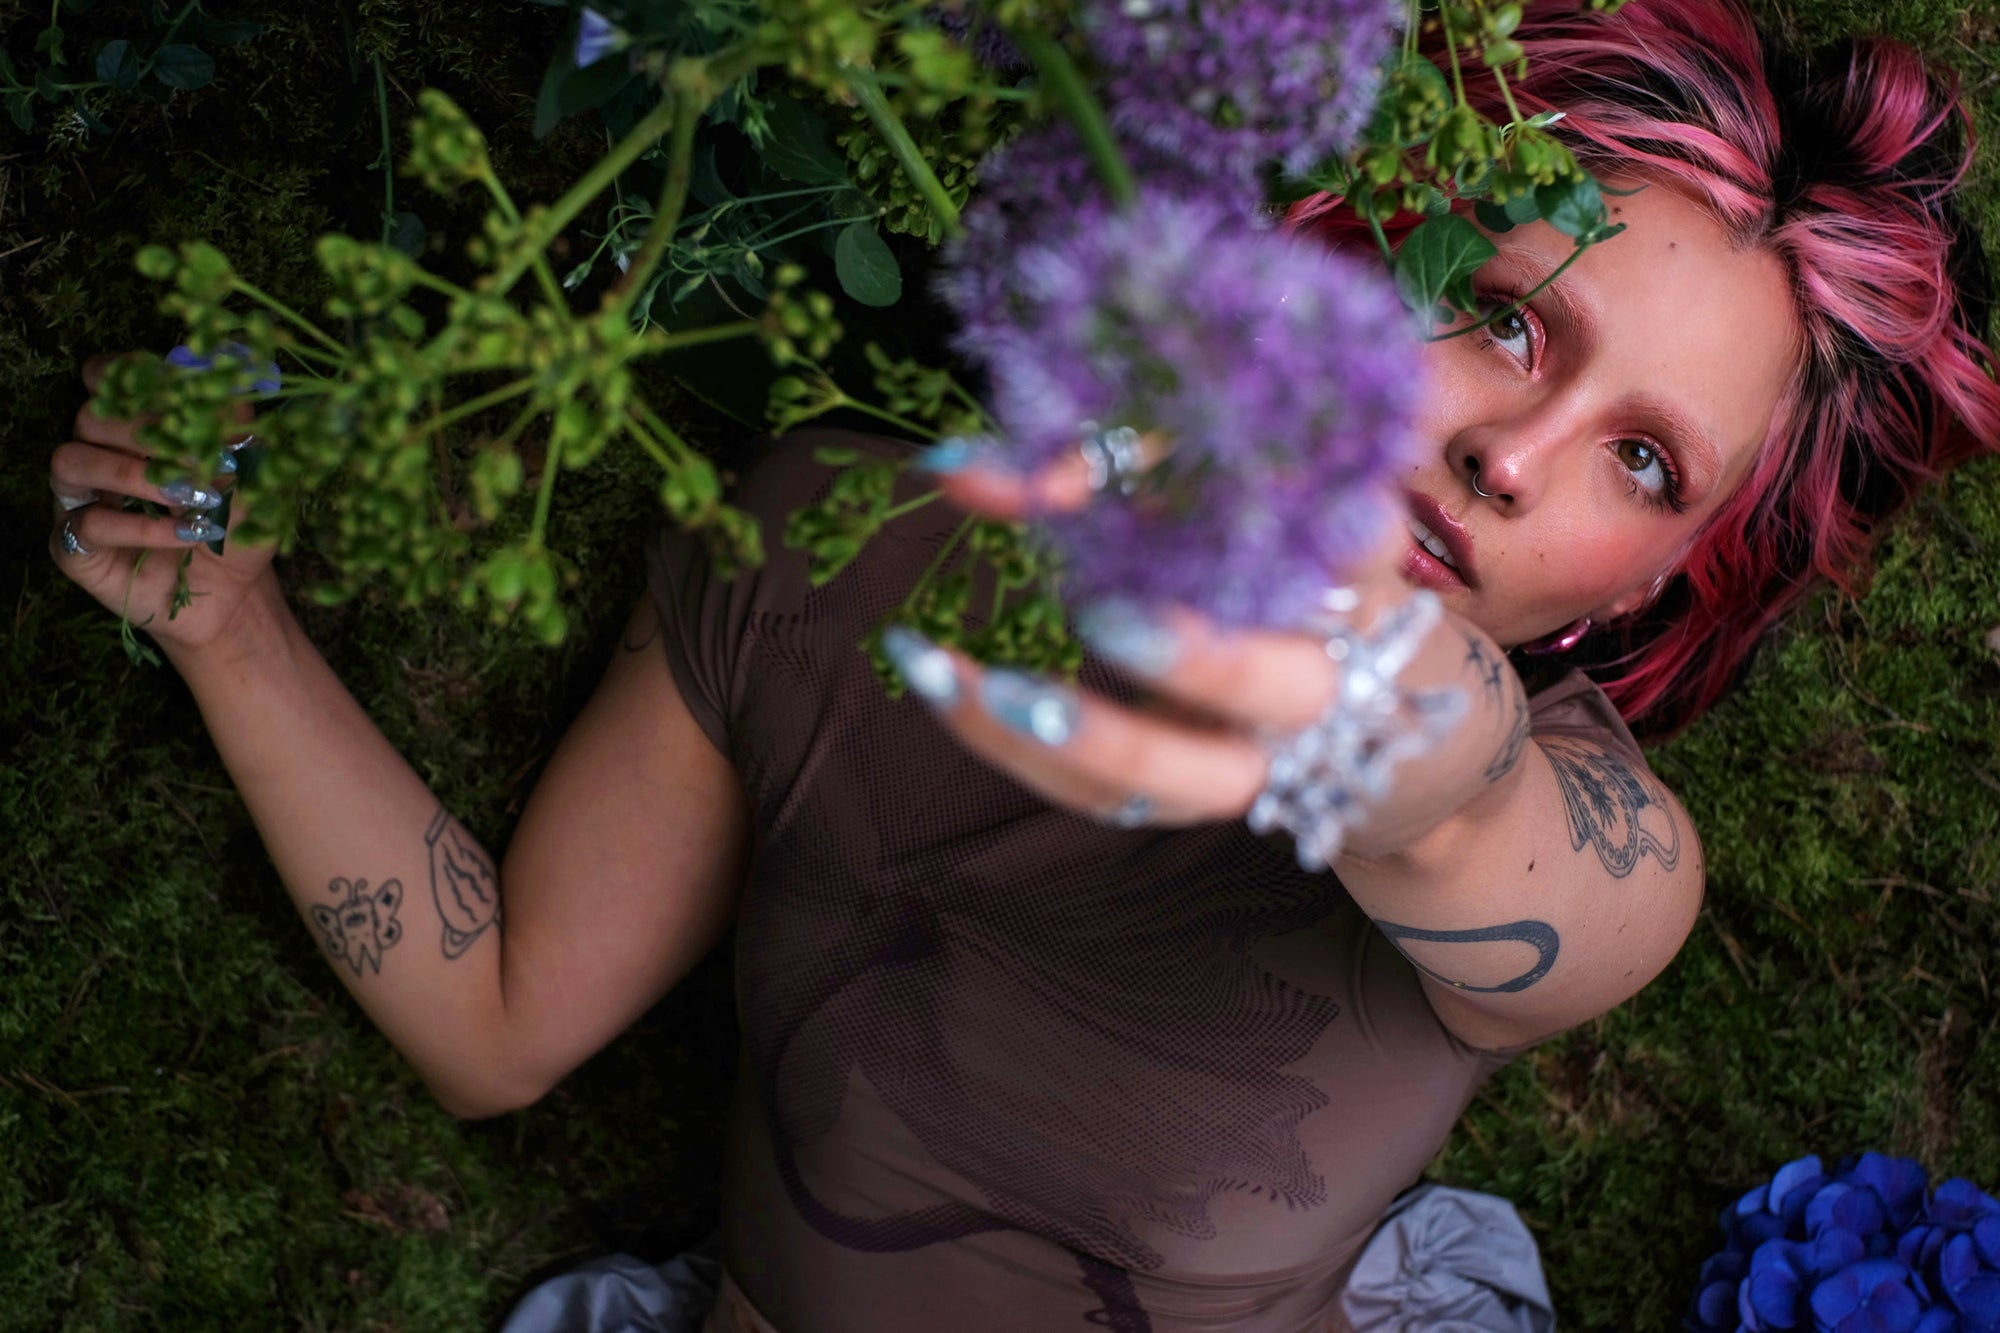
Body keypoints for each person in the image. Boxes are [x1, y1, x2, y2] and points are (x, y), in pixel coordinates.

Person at [44, 0, 2000, 1327]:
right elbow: (499, 1021)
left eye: (1643, 463)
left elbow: (1467, 811)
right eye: (1504, 318)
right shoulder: (825, 537)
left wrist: (1368, 711)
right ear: (1347, 256)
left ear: (1644, 589)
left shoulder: (1587, 852)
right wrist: (232, 630)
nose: (1515, 452)